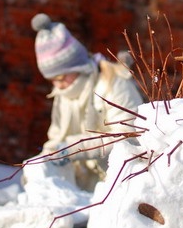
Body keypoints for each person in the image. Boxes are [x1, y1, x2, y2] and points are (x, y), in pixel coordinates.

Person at [26, 13, 143, 191]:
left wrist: (75, 148)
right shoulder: (63, 94)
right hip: (84, 189)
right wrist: (40, 165)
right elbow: (57, 139)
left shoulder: (115, 84)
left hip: (121, 183)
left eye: (61, 76)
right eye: (52, 80)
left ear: (78, 67)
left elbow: (128, 135)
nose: (58, 85)